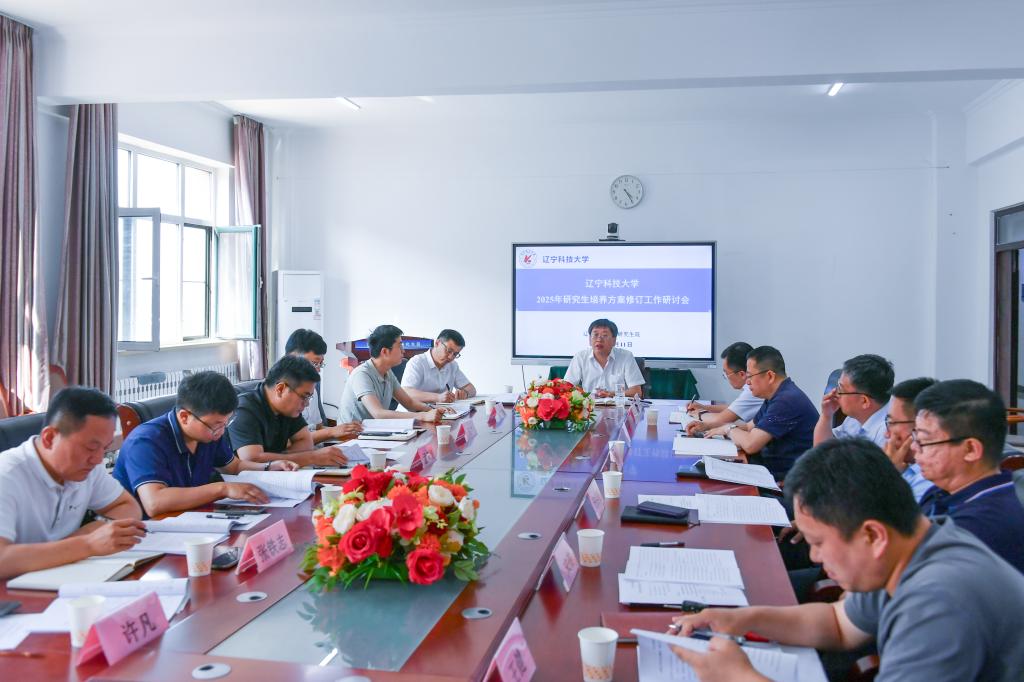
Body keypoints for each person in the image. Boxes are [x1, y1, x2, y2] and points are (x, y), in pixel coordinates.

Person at [670, 438, 1024, 682]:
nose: (813, 556)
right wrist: (740, 619)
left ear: (873, 535)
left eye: (819, 542)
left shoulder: (940, 600)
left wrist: (740, 677)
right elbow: (838, 623)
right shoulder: (913, 545)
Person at [0, 387, 146, 579]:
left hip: (62, 578)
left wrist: (76, 541)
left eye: (104, 448)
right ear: (50, 438)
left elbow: (128, 506)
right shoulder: (6, 475)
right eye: (91, 447)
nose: (98, 459)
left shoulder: (86, 468)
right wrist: (88, 544)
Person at [114, 372, 299, 518]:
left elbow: (234, 467)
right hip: (145, 532)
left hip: (191, 519)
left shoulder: (208, 434)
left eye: (225, 423)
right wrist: (222, 489)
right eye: (216, 425)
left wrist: (268, 467)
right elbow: (154, 503)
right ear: (184, 417)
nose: (221, 432)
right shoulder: (146, 441)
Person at [913, 379, 1024, 573]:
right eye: (915, 437)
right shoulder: (938, 492)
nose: (914, 447)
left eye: (924, 440)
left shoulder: (982, 526)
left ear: (971, 449)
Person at [812, 355, 932, 502]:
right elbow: (823, 453)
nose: (836, 393)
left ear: (864, 401)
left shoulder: (888, 435)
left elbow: (864, 494)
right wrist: (827, 415)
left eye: (841, 389)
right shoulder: (855, 418)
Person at [702, 346, 817, 479]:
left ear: (769, 376)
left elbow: (751, 444)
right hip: (767, 467)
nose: (747, 381)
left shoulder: (786, 400)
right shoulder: (777, 395)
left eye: (750, 376)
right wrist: (712, 428)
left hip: (784, 480)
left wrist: (728, 429)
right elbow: (749, 427)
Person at [229, 355, 351, 468]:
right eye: (304, 396)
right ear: (280, 389)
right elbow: (252, 458)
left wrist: (278, 458)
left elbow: (306, 442)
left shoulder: (288, 408)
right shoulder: (244, 409)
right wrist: (311, 458)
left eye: (309, 397)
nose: (307, 403)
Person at [338, 325, 444, 423]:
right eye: (400, 346)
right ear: (384, 351)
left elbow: (409, 403)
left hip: (373, 431)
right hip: (352, 435)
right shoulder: (361, 374)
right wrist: (423, 416)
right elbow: (379, 414)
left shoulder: (387, 373)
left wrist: (433, 410)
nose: (403, 351)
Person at [285, 328, 363, 444]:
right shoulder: (282, 393)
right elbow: (287, 442)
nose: (318, 370)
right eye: (314, 363)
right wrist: (331, 432)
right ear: (293, 358)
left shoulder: (312, 389)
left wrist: (345, 432)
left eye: (320, 364)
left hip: (318, 450)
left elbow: (318, 427)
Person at [686, 341, 764, 436]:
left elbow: (720, 420)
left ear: (742, 374)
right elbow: (733, 408)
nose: (726, 378)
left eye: (726, 373)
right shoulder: (755, 386)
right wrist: (704, 407)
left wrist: (699, 414)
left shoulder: (754, 392)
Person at [882, 377, 937, 502]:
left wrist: (888, 475)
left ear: (920, 424)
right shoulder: (905, 469)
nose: (886, 434)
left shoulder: (929, 478)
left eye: (891, 422)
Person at [563, 318, 645, 398]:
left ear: (614, 340)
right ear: (589, 339)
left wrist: (611, 394)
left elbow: (637, 392)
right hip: (590, 405)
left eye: (604, 335)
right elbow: (567, 387)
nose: (599, 339)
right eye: (595, 335)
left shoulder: (626, 356)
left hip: (618, 405)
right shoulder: (580, 357)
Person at [401, 329, 477, 404]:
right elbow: (406, 392)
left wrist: (465, 393)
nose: (451, 357)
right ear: (437, 343)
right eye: (449, 351)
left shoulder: (452, 365)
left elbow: (471, 388)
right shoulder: (417, 362)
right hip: (417, 410)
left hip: (443, 410)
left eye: (455, 354)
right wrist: (437, 397)